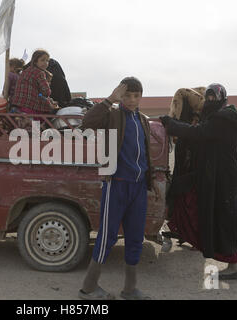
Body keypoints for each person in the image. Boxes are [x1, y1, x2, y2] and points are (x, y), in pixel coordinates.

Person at [79, 77, 160, 300]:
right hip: (116, 185)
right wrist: (109, 100)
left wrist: (149, 182)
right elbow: (87, 123)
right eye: (127, 96)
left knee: (135, 237)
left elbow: (144, 153)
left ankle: (130, 289)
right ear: (120, 95)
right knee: (107, 237)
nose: (132, 100)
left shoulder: (142, 119)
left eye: (136, 96)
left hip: (138, 187)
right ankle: (87, 288)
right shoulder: (112, 115)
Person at [160, 83, 237, 281]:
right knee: (217, 218)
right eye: (207, 98)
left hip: (224, 181)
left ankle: (234, 267)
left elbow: (198, 133)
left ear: (222, 99)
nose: (209, 102)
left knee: (225, 221)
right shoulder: (220, 118)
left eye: (213, 98)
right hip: (219, 178)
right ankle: (230, 262)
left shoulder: (222, 119)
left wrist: (172, 125)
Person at [10, 50, 59, 115]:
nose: (46, 63)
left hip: (19, 103)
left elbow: (36, 92)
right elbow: (47, 91)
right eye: (42, 60)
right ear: (35, 61)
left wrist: (42, 95)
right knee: (50, 110)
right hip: (31, 105)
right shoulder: (39, 73)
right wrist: (47, 98)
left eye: (47, 61)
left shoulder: (25, 71)